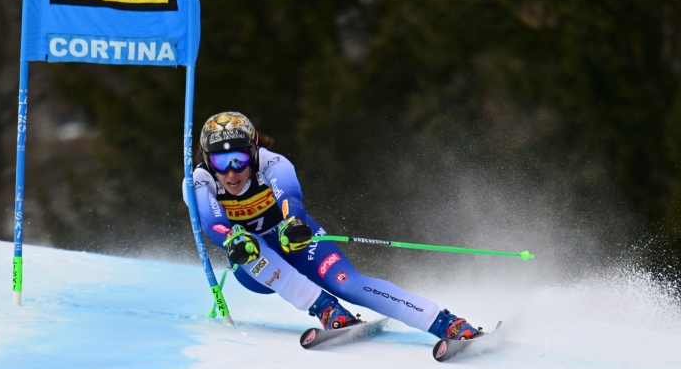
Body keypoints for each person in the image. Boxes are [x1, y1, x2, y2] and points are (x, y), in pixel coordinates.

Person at [186, 111, 481, 340]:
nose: (232, 172)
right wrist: (231, 239)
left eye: (238, 159)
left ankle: (444, 323)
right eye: (221, 162)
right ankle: (325, 308)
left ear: (253, 151)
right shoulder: (199, 180)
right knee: (249, 245)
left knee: (347, 283)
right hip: (253, 266)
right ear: (208, 160)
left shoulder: (271, 162)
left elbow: (288, 194)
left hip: (295, 239)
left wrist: (293, 221)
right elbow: (212, 221)